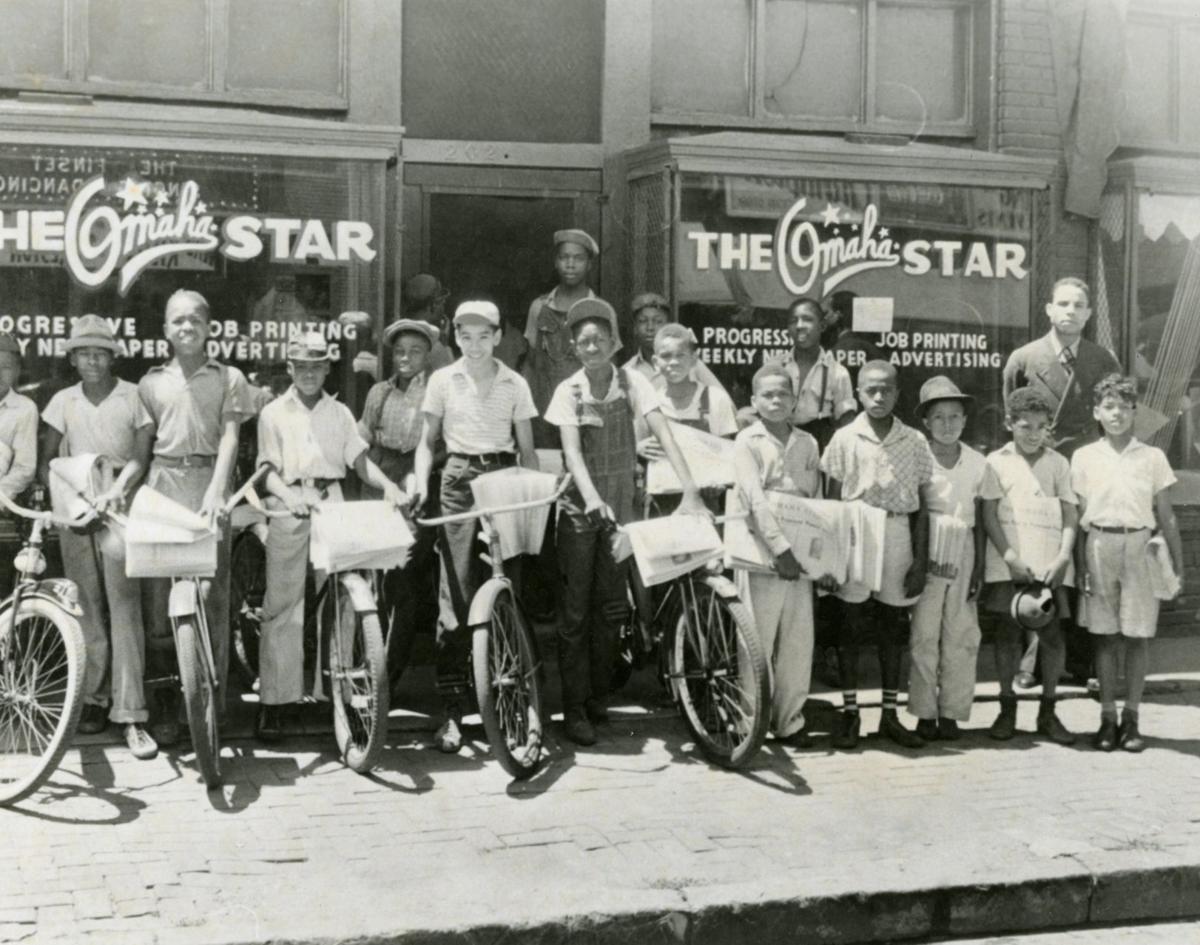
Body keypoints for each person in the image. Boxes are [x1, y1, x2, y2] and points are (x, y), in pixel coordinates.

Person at [545, 298, 707, 746]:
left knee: (611, 609)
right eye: (583, 341)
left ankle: (599, 700)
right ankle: (574, 709)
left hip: (623, 514)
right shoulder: (569, 391)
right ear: (574, 348)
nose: (592, 347)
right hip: (581, 513)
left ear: (614, 342)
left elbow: (662, 430)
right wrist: (593, 499)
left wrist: (690, 488)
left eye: (599, 339)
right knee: (575, 613)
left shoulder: (632, 381)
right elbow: (572, 453)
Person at [255, 333, 408, 740]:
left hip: (332, 502)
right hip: (291, 503)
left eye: (316, 366)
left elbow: (359, 463)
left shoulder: (339, 412)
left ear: (327, 368)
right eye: (300, 366)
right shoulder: (272, 412)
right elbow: (266, 470)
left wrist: (388, 485)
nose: (308, 374)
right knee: (283, 602)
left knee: (342, 600)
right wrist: (290, 496)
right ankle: (275, 701)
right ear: (290, 368)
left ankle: (336, 693)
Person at [412, 300, 539, 754]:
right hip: (459, 480)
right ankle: (452, 710)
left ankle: (515, 700)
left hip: (504, 476)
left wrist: (530, 493)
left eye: (484, 335)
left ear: (499, 335)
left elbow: (527, 450)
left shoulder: (515, 383)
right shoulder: (443, 380)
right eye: (465, 336)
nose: (475, 344)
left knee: (507, 587)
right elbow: (427, 444)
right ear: (455, 338)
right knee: (458, 593)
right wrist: (421, 483)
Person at [138, 289, 255, 746]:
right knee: (157, 603)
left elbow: (230, 439)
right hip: (162, 486)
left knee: (211, 597)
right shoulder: (149, 383)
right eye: (177, 321)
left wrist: (216, 490)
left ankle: (211, 706)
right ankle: (167, 702)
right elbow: (142, 451)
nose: (186, 328)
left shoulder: (229, 378)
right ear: (165, 329)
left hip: (210, 487)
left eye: (195, 321)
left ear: (210, 328)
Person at [39, 316, 157, 759]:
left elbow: (142, 456)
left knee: (125, 607)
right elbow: (48, 458)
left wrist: (115, 491)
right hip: (74, 502)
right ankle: (93, 698)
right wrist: (69, 497)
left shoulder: (132, 396)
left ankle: (131, 713)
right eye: (83, 352)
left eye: (100, 352)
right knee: (85, 604)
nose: (92, 359)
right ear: (72, 358)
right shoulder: (63, 401)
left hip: (119, 502)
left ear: (113, 356)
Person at [1003, 276, 1121, 688]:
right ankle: (1031, 664)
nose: (1070, 312)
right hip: (1039, 474)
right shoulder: (1023, 359)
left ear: (1089, 314)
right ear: (1049, 309)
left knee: (1083, 562)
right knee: (1037, 560)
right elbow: (1012, 418)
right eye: (1063, 304)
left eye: (1078, 305)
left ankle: (1082, 662)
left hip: (1085, 471)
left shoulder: (1102, 359)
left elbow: (1111, 419)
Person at [821, 360, 931, 750]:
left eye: (886, 389)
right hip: (855, 529)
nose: (879, 396)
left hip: (898, 528)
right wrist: (832, 557)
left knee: (891, 625)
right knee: (850, 626)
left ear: (898, 393)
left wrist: (920, 561)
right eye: (871, 390)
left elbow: (922, 506)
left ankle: (889, 714)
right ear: (858, 394)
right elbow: (831, 503)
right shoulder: (844, 438)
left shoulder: (914, 441)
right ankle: (851, 713)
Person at [1072, 374, 1184, 752]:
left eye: (1124, 407)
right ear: (1096, 412)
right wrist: (1079, 565)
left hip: (1140, 544)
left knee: (1137, 636)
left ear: (1135, 412)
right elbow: (1077, 516)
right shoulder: (1084, 457)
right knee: (1104, 635)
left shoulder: (1152, 457)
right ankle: (1106, 717)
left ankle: (1132, 717)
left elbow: (1166, 515)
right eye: (1109, 407)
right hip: (1099, 545)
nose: (1116, 414)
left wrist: (1179, 565)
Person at [980, 387, 1078, 745]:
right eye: (1025, 426)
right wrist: (1010, 558)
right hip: (1011, 566)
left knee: (1051, 635)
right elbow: (989, 514)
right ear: (1009, 424)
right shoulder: (997, 462)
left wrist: (1063, 557)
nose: (1033, 433)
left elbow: (1070, 514)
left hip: (1048, 566)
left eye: (1041, 426)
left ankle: (1048, 711)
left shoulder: (1058, 464)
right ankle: (1007, 707)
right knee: (1007, 634)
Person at [732, 363, 821, 746]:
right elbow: (753, 498)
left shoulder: (808, 442)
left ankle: (790, 720)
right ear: (753, 401)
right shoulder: (747, 441)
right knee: (757, 640)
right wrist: (780, 549)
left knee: (798, 640)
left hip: (800, 552)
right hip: (762, 549)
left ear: (795, 400)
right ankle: (749, 723)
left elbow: (815, 501)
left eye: (783, 394)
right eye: (767, 395)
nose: (775, 401)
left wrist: (816, 556)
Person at [358, 318, 442, 693]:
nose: (406, 358)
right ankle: (367, 662)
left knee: (402, 576)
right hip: (380, 476)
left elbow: (443, 444)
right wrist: (377, 478)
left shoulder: (437, 391)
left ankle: (388, 674)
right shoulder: (379, 392)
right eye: (400, 351)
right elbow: (360, 443)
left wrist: (417, 478)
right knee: (372, 576)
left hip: (419, 479)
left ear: (428, 355)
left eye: (415, 351)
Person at [906, 377, 987, 742]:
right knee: (924, 633)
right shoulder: (918, 458)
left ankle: (952, 710)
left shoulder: (977, 462)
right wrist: (916, 561)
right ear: (925, 422)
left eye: (955, 416)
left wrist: (980, 566)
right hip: (928, 546)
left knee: (960, 632)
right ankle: (925, 712)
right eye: (939, 417)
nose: (948, 424)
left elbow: (983, 518)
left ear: (965, 420)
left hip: (964, 547)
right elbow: (914, 511)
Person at [637, 323, 738, 516]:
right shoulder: (649, 403)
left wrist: (719, 483)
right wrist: (639, 448)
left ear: (693, 359)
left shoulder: (715, 398)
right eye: (666, 356)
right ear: (655, 361)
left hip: (706, 501)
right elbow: (637, 446)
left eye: (680, 355)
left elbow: (727, 454)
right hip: (661, 502)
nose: (673, 362)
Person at [522, 229, 598, 449]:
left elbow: (610, 367)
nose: (571, 264)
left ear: (589, 264)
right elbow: (531, 362)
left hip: (586, 412)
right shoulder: (540, 307)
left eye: (579, 258)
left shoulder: (600, 309)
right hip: (546, 410)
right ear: (556, 262)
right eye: (564, 258)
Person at [778, 298, 857, 451]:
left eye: (807, 319)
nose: (800, 326)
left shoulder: (838, 373)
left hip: (818, 448)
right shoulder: (777, 367)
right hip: (781, 445)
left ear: (822, 326)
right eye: (794, 321)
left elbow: (847, 423)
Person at [622, 292, 721, 389]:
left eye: (658, 321)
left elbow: (723, 401)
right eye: (643, 321)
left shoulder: (690, 364)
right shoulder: (627, 371)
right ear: (634, 328)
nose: (650, 327)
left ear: (667, 326)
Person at [402, 274, 454, 371]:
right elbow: (451, 382)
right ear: (434, 304)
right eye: (442, 301)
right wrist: (445, 347)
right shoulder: (435, 347)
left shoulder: (399, 336)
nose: (443, 307)